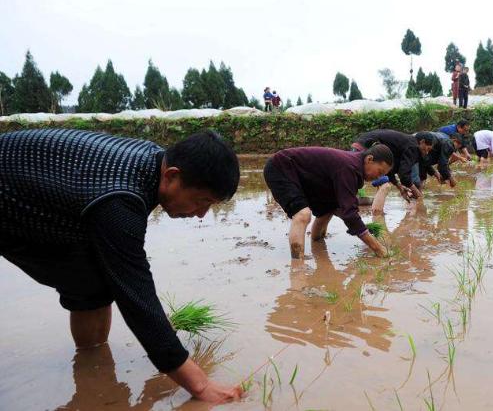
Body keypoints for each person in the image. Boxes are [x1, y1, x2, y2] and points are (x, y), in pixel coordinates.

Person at [0, 128, 242, 404]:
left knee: (91, 277)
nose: (201, 214)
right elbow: (136, 294)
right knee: (110, 280)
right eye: (202, 202)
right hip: (8, 196)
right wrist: (200, 386)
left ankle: (91, 369)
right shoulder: (120, 199)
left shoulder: (151, 160)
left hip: (34, 188)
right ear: (172, 176)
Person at [263, 144, 394, 260]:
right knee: (303, 214)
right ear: (369, 159)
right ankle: (298, 265)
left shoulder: (353, 166)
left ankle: (317, 244)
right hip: (281, 167)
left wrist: (351, 218)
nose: (379, 177)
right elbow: (350, 214)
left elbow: (345, 209)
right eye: (380, 172)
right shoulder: (349, 167)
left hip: (305, 178)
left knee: (329, 209)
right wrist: (377, 248)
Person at [351, 129, 434, 213]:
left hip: (360, 146)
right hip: (366, 146)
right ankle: (377, 216)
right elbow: (404, 174)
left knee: (361, 183)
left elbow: (388, 170)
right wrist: (416, 191)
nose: (426, 152)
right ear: (422, 142)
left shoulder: (404, 146)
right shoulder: (413, 147)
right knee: (384, 185)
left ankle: (366, 209)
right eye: (427, 149)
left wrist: (399, 187)